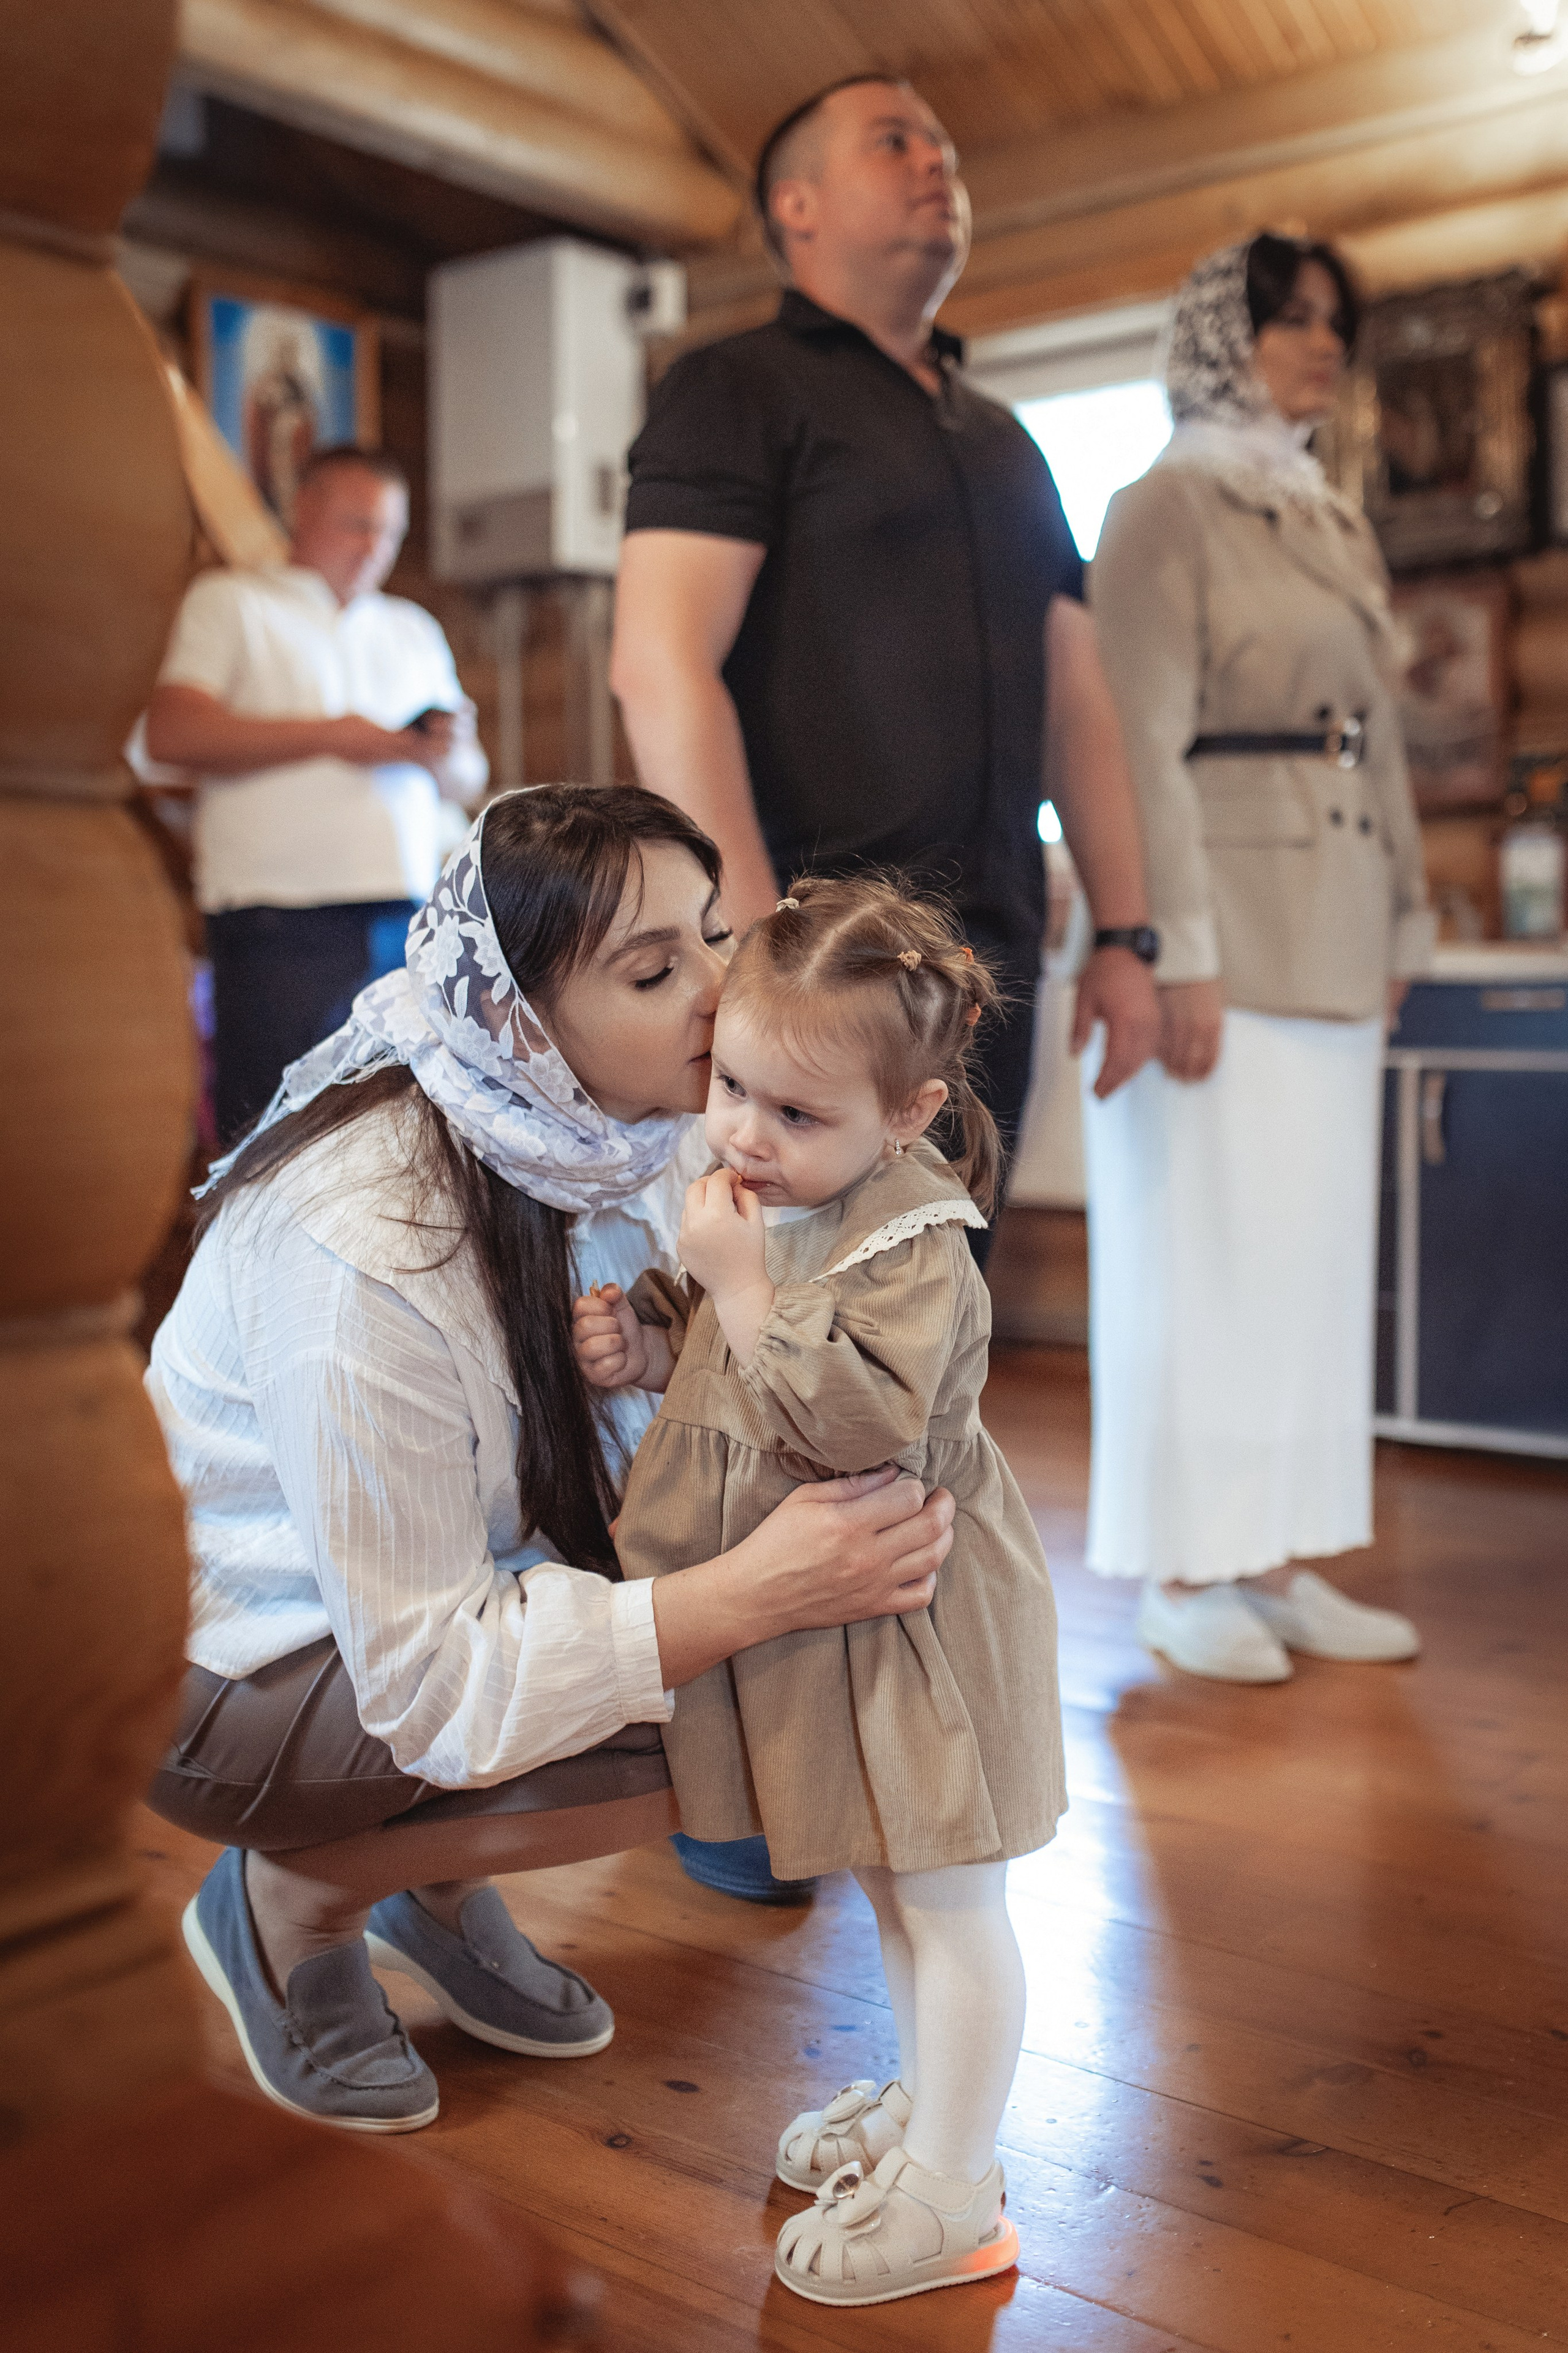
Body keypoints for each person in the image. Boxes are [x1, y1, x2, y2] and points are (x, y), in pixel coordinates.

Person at [144, 785, 956, 2132]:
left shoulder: (625, 1131)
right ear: (521, 1019)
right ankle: (287, 1908)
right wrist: (750, 1591)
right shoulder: (367, 1236)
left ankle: (436, 1888)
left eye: (713, 933)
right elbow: (420, 1674)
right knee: (722, 1682)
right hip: (232, 1672)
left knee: (786, 1656)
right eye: (654, 969)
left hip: (412, 1615)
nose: (720, 989)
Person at [613, 70, 1156, 1903]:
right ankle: (733, 1799)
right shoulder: (738, 388)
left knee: (910, 1393)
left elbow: (1079, 698)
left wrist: (1133, 929)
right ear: (793, 212)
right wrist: (743, 961)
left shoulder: (1004, 438)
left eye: (945, 135)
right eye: (890, 137)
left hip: (974, 994)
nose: (938, 157)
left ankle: (885, 1767)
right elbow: (657, 664)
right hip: (812, 1008)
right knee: (772, 1387)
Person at [573, 876, 1063, 2307]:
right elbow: (735, 1365)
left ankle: (958, 2193)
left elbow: (853, 1429)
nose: (741, 1132)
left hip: (918, 1620)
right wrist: (656, 1343)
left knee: (949, 1894)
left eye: (793, 1113)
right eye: (729, 1085)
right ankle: (927, 2108)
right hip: (830, 1623)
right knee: (887, 1879)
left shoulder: (910, 1239)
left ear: (906, 1114)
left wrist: (729, 1289)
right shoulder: (773, 1197)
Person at [1083, 235, 1433, 1682]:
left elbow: (1379, 734)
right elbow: (1136, 743)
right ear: (1223, 334)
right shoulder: (1161, 504)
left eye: (1330, 322)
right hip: (1225, 915)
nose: (1320, 341)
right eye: (1288, 318)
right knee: (1205, 1251)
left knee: (1299, 1261)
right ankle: (1187, 1567)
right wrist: (1176, 949)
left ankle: (1277, 1553)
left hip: (1337, 919)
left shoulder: (1326, 517)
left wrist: (1405, 909)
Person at [143, 444, 488, 1145]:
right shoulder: (233, 602)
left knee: (394, 1131)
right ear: (303, 509)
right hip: (279, 923)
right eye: (356, 524)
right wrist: (335, 737)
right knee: (273, 1136)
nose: (373, 547)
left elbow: (468, 781)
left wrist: (437, 752)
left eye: (389, 532)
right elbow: (170, 734)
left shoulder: (412, 629)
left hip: (405, 917)